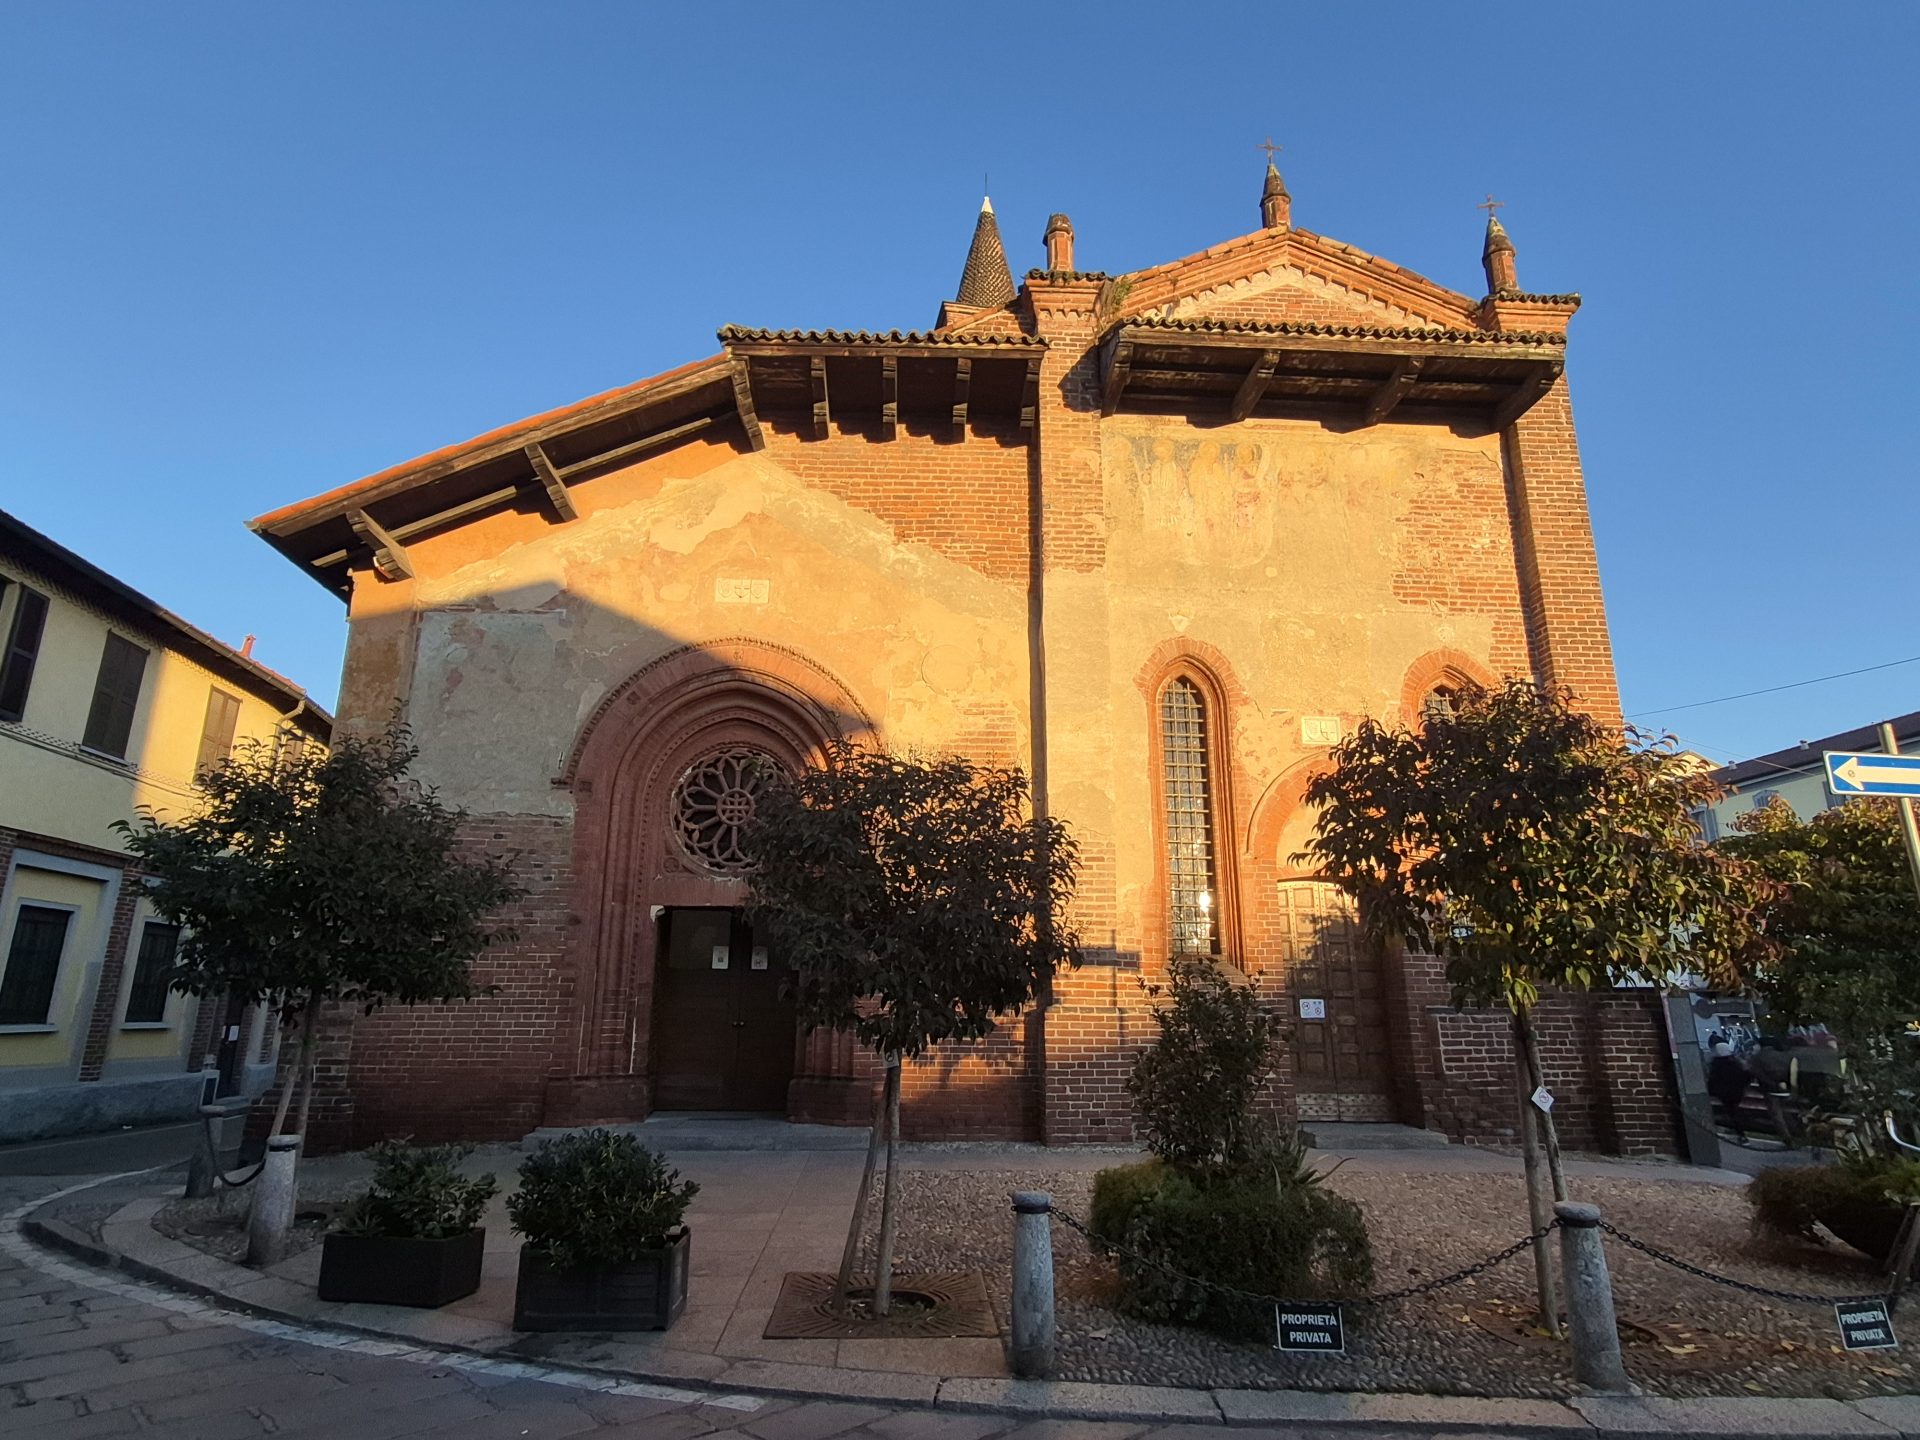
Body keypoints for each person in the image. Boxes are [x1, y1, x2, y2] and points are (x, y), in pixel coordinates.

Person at [1707, 1039, 1753, 1140]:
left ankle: (1740, 1133)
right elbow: (1747, 1076)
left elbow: (1712, 1080)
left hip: (1724, 1093)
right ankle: (1738, 1130)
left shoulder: (1716, 1065)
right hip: (1737, 1092)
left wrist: (1711, 1090)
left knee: (1732, 1112)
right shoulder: (1736, 1063)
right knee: (1734, 1111)